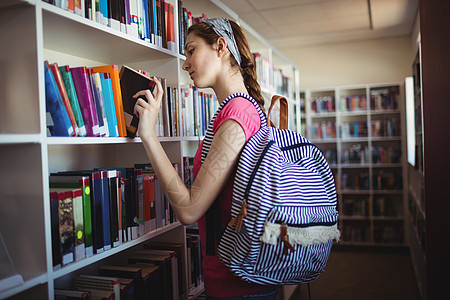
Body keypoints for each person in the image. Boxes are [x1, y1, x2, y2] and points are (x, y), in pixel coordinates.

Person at [133, 18, 279, 299]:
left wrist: (149, 135)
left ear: (220, 46)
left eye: (190, 51)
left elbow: (189, 211)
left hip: (239, 287)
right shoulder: (242, 110)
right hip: (243, 281)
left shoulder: (237, 114)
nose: (185, 64)